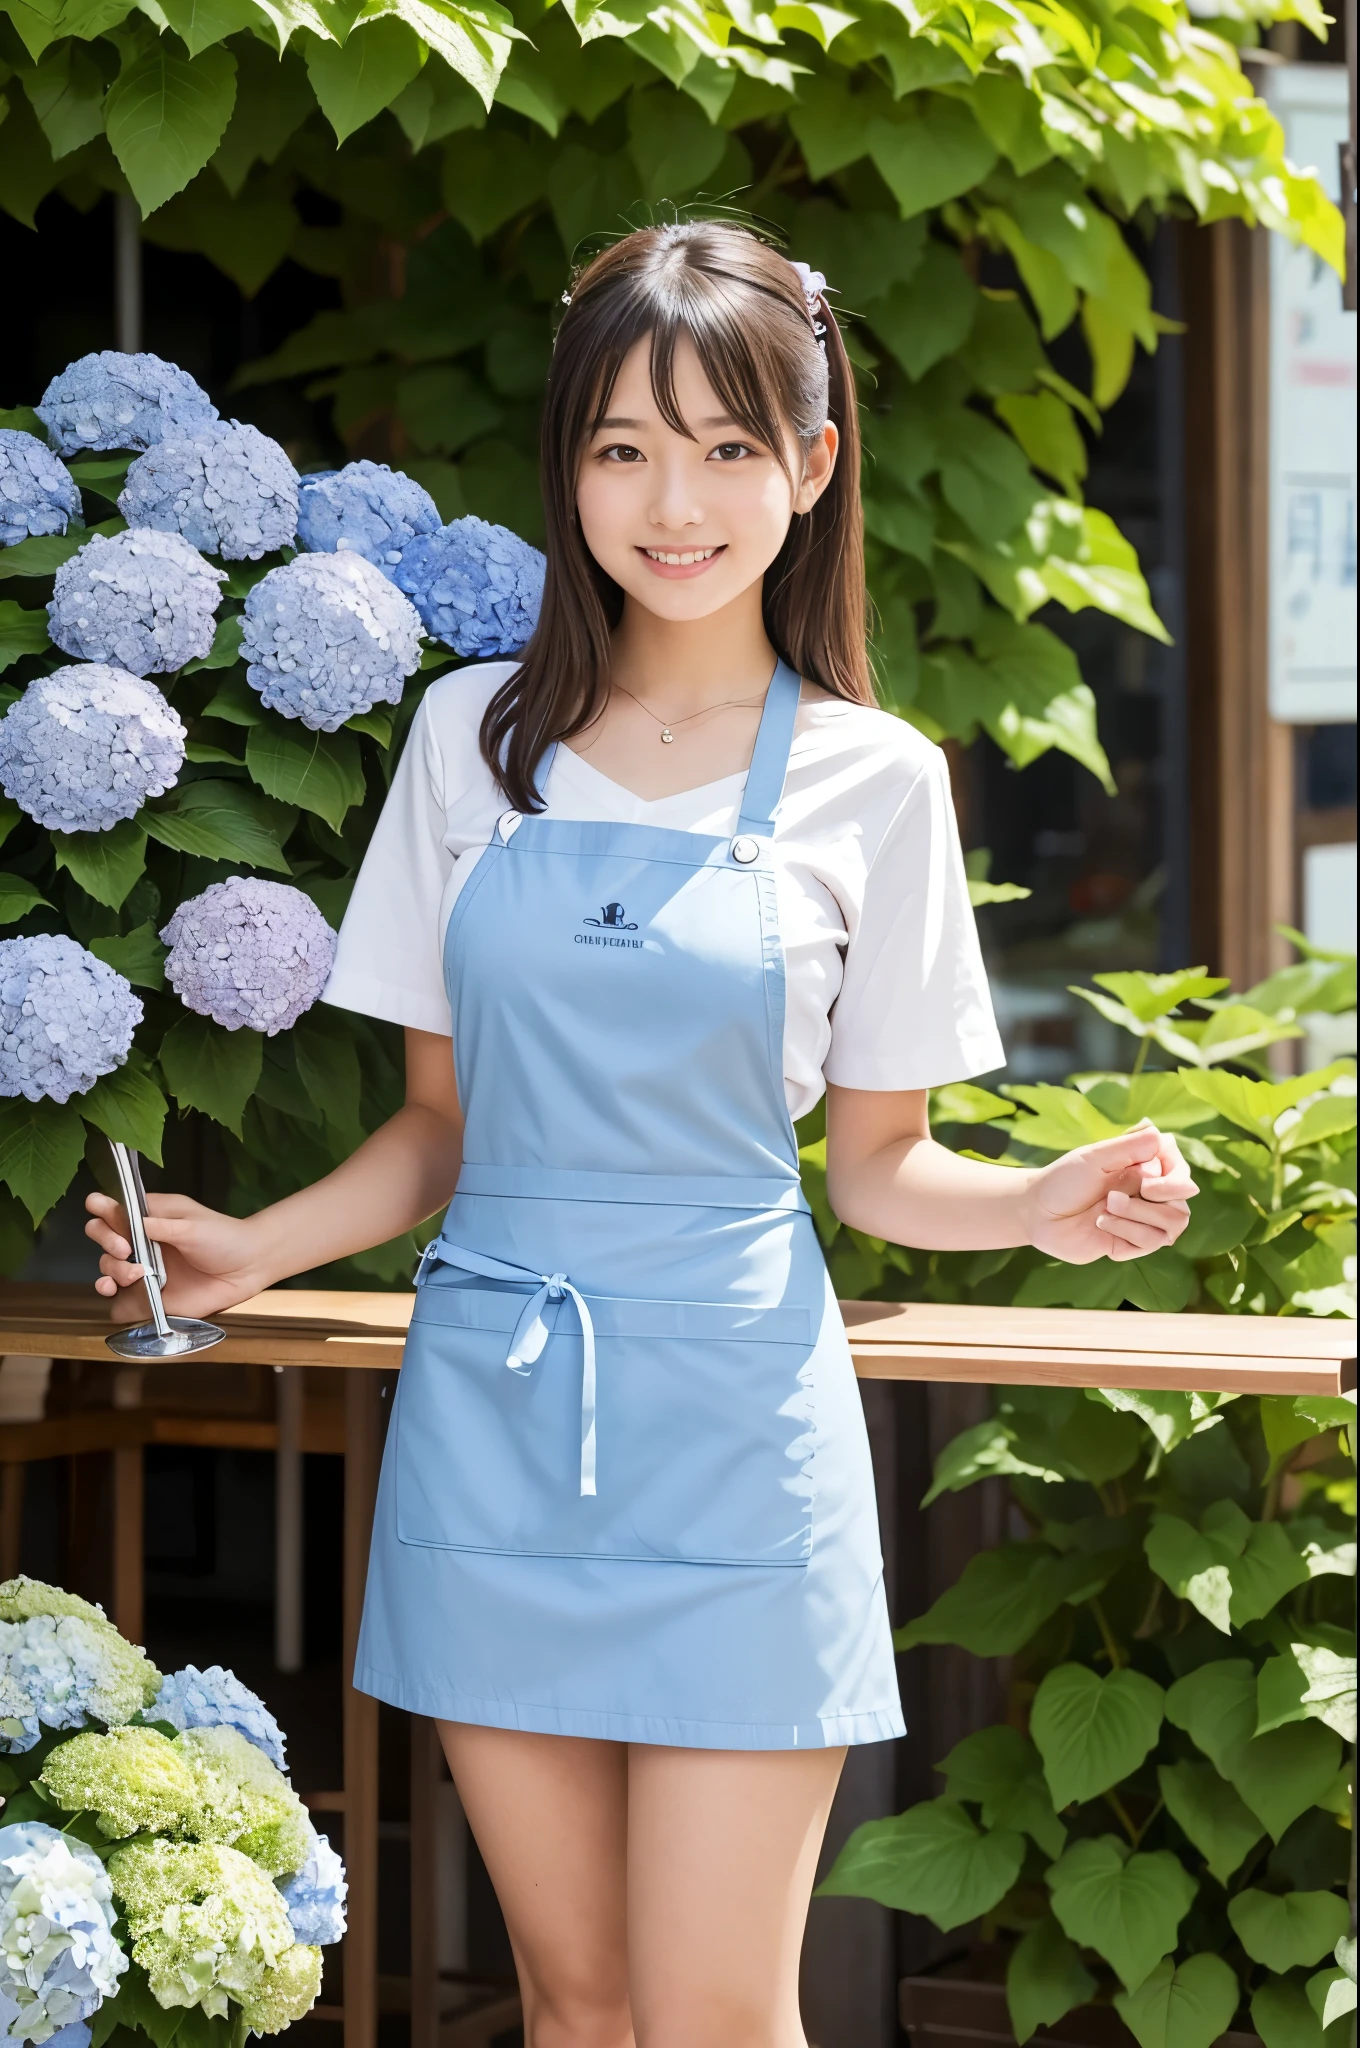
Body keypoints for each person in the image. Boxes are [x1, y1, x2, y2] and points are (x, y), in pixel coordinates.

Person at [87, 222, 1196, 2048]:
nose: (670, 500)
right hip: (494, 1420)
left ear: (812, 466)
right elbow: (436, 1132)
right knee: (575, 2006)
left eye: (725, 447)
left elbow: (875, 1166)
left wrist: (1046, 1203)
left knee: (712, 2012)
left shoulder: (879, 777)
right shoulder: (472, 743)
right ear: (568, 467)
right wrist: (256, 1245)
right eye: (621, 447)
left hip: (742, 1433)